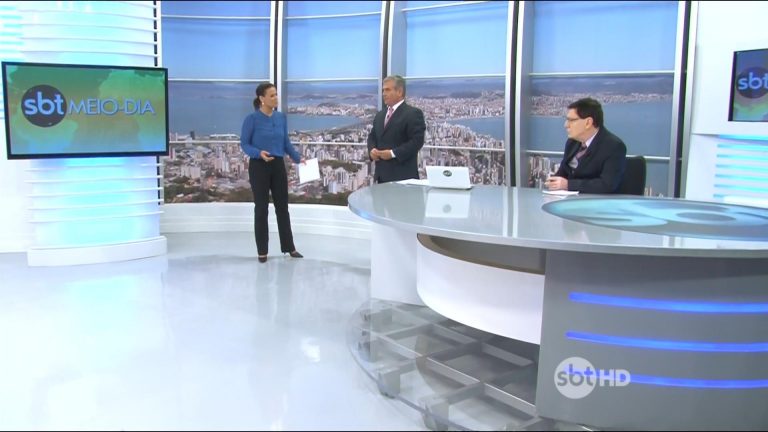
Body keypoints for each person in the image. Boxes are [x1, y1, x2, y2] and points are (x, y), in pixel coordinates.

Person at [240, 82, 304, 263]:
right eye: (272, 95)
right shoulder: (251, 119)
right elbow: (244, 144)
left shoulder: (281, 118)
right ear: (262, 98)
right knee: (261, 208)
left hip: (277, 165)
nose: (276, 98)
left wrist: (298, 159)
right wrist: (258, 153)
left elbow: (286, 143)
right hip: (259, 166)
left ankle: (289, 247)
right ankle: (262, 251)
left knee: (282, 208)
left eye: (276, 94)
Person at [545, 97, 627, 194]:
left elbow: (607, 185)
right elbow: (563, 172)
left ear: (588, 123)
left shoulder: (614, 146)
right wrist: (553, 181)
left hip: (597, 201)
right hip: (571, 199)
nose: (566, 125)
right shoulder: (572, 142)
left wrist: (568, 185)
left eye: (571, 120)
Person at [367, 75, 426, 183]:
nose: (384, 93)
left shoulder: (413, 114)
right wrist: (371, 150)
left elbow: (417, 142)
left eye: (387, 90)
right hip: (381, 178)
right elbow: (372, 136)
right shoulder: (380, 115)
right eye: (383, 90)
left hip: (403, 178)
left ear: (399, 92)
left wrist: (392, 153)